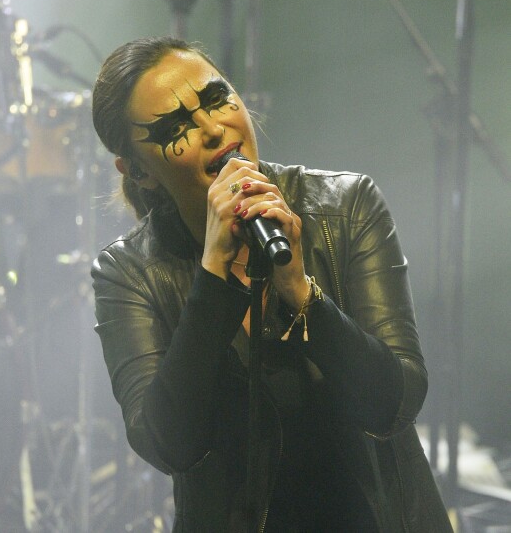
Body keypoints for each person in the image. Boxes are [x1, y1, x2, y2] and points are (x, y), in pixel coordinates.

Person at [91, 36, 453, 532]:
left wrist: (300, 292)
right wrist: (214, 274)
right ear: (137, 171)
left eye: (217, 99)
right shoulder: (128, 272)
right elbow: (167, 443)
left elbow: (395, 401)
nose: (214, 129)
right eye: (177, 127)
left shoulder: (346, 208)